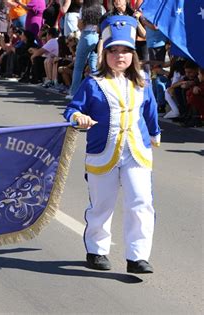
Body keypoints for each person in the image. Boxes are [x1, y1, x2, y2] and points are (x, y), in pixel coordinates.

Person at [63, 15, 160, 274]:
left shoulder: (143, 82)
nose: (120, 56)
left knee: (140, 201)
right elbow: (71, 109)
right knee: (102, 204)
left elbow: (149, 112)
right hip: (102, 152)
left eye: (126, 51)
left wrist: (155, 132)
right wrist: (78, 117)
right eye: (113, 50)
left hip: (137, 152)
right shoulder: (93, 83)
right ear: (105, 54)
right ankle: (96, 250)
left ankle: (137, 257)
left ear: (133, 55)